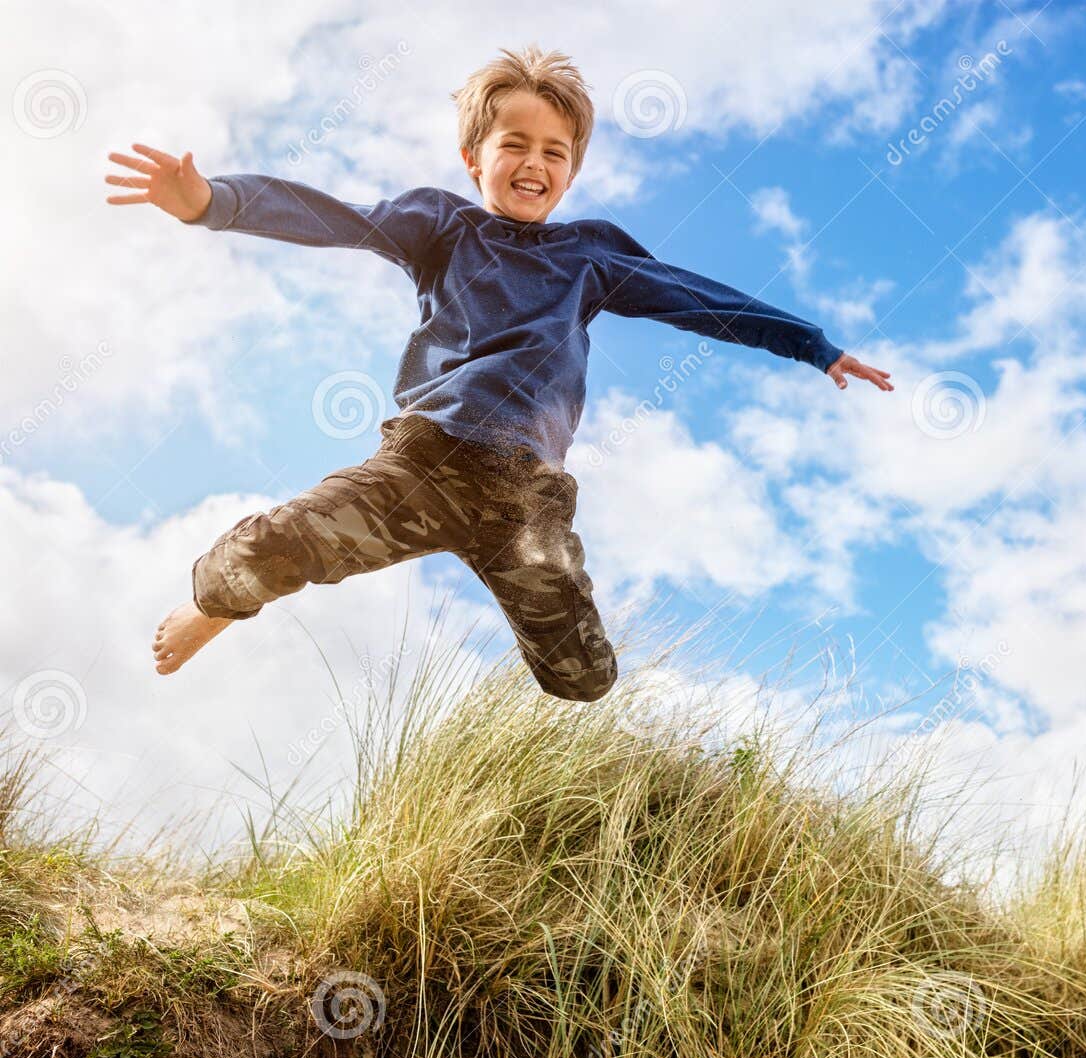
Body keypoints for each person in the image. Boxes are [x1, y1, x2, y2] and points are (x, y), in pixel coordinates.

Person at [105, 43, 893, 701]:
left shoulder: (590, 252)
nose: (532, 162)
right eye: (513, 143)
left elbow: (695, 297)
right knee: (272, 545)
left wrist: (812, 344)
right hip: (423, 462)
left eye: (554, 152)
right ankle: (214, 604)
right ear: (473, 156)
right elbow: (341, 220)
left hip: (527, 497)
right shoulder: (442, 226)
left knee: (584, 681)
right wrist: (214, 200)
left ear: (572, 171)